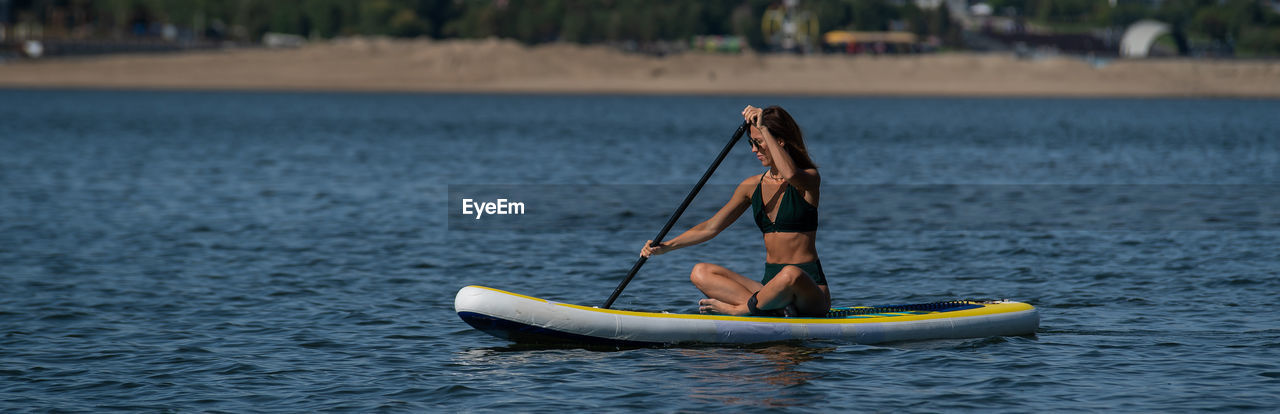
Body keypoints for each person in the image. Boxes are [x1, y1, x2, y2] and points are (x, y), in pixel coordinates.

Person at [640, 105, 828, 317]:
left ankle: (743, 310)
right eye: (751, 142)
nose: (753, 150)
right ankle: (767, 309)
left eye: (758, 142)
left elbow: (791, 175)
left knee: (791, 274)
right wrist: (666, 246)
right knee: (700, 272)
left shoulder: (809, 179)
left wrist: (764, 127)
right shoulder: (751, 187)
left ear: (780, 142)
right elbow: (711, 227)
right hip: (769, 289)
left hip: (808, 291)